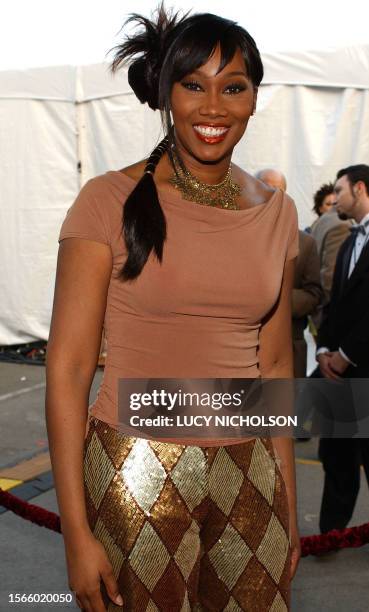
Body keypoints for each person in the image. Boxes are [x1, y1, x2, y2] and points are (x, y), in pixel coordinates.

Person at [46, 7, 300, 611]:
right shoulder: (106, 200)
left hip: (252, 467)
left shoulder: (277, 212)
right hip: (136, 469)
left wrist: (286, 498)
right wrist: (76, 533)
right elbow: (69, 369)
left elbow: (277, 363)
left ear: (253, 97)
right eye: (194, 85)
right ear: (166, 93)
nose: (214, 108)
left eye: (233, 87)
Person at [316, 164, 369, 534]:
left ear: (361, 189)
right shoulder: (349, 238)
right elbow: (337, 303)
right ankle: (331, 532)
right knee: (334, 454)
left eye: (341, 190)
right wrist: (323, 349)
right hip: (337, 372)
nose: (334, 198)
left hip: (362, 367)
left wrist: (346, 355)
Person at [256, 169, 322, 377]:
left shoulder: (306, 243)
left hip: (289, 350)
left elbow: (315, 294)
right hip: (241, 350)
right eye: (265, 188)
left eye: (279, 190)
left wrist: (275, 297)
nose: (273, 196)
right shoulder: (235, 235)